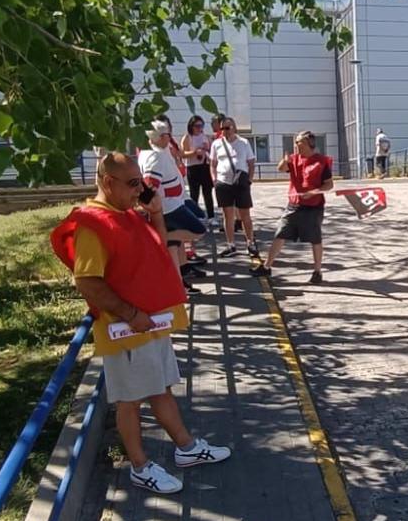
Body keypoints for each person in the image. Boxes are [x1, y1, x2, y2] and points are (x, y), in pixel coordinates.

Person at [50, 152, 231, 494]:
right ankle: (140, 466)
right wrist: (131, 315)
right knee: (129, 401)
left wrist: (156, 212)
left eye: (142, 183)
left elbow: (159, 247)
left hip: (149, 322)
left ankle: (186, 447)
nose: (141, 190)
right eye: (134, 184)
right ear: (107, 182)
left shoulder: (128, 214)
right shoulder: (93, 222)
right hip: (127, 328)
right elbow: (87, 280)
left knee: (160, 388)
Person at [252, 131, 333, 284]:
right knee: (280, 233)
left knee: (315, 239)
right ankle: (267, 266)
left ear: (309, 144)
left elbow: (329, 184)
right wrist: (284, 161)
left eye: (299, 142)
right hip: (294, 205)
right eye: (295, 142)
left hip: (313, 207)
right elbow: (281, 169)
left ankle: (317, 271)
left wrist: (314, 192)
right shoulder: (294, 159)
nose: (296, 145)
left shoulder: (320, 162)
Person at [138, 120, 206, 282]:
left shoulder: (161, 150)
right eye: (168, 134)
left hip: (177, 200)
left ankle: (181, 273)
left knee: (175, 244)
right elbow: (150, 186)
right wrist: (156, 209)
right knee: (199, 230)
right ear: (161, 137)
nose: (170, 137)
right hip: (170, 206)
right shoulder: (154, 157)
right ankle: (163, 236)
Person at [210, 116, 259, 257]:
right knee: (228, 214)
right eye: (222, 128)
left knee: (245, 215)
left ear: (234, 127)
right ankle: (230, 244)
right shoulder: (216, 144)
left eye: (228, 127)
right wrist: (215, 180)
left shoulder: (243, 143)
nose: (225, 131)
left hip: (240, 183)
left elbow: (251, 163)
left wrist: (249, 180)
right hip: (223, 182)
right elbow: (212, 164)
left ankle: (250, 243)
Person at [182, 115, 215, 219]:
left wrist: (206, 149)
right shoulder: (187, 137)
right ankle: (195, 216)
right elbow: (182, 154)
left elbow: (211, 152)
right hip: (193, 167)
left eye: (202, 126)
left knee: (208, 193)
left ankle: (211, 216)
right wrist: (195, 152)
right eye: (197, 126)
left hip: (205, 166)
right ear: (191, 126)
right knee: (194, 193)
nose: (200, 128)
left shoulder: (205, 136)